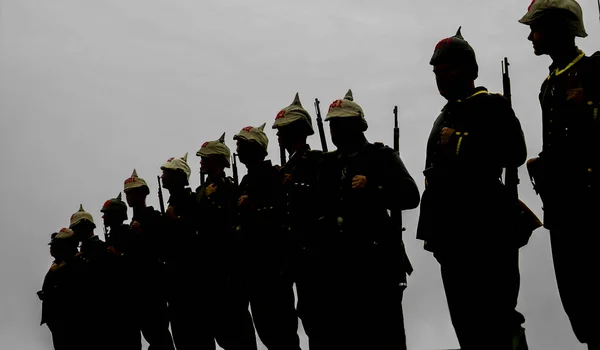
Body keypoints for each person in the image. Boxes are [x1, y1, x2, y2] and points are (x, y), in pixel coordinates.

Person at [417, 28, 529, 349]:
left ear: (469, 70)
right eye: (437, 71)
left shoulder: (489, 106)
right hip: (450, 236)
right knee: (467, 328)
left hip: (485, 231)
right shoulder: (443, 116)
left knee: (497, 320)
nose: (441, 76)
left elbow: (514, 152)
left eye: (448, 69)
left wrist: (462, 142)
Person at [519, 1, 600, 348]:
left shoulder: (594, 70)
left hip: (593, 201)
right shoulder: (549, 83)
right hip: (562, 205)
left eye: (536, 27)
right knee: (578, 303)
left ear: (557, 27)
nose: (530, 36)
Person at [314, 89, 420, 349]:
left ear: (355, 126)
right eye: (332, 125)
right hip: (339, 268)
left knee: (386, 337)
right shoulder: (328, 164)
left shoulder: (381, 156)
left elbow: (410, 195)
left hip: (377, 266)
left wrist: (373, 187)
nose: (333, 131)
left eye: (338, 124)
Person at [234, 124, 301, 350]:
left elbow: (283, 215)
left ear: (254, 148)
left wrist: (255, 208)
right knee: (266, 332)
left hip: (273, 268)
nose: (237, 149)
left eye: (241, 145)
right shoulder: (245, 181)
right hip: (253, 270)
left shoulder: (274, 176)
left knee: (282, 333)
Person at [194, 133, 257, 349]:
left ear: (218, 161)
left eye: (205, 158)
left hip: (229, 270)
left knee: (238, 330)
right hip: (209, 272)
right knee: (220, 331)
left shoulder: (230, 190)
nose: (201, 162)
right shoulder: (200, 193)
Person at [271, 93, 323, 349]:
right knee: (304, 314)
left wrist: (298, 186)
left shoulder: (317, 162)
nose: (278, 136)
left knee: (319, 319)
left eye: (282, 130)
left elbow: (326, 197)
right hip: (294, 254)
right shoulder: (286, 167)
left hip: (315, 251)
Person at [123, 169, 175, 350]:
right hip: (137, 289)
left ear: (143, 193)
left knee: (159, 336)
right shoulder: (131, 225)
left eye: (133, 192)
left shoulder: (154, 219)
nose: (129, 196)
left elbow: (162, 250)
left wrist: (141, 236)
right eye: (127, 192)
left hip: (153, 287)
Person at [159, 153, 205, 350]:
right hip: (175, 282)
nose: (162, 177)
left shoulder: (190, 200)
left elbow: (198, 234)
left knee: (196, 336)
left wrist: (175, 222)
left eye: (166, 173)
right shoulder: (173, 202)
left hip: (190, 281)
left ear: (178, 176)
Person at [68, 204, 110, 350]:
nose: (73, 233)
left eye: (75, 229)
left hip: (100, 316)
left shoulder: (101, 249)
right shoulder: (81, 253)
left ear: (85, 227)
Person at [38, 228, 81, 350]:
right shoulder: (58, 264)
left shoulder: (72, 263)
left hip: (66, 319)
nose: (51, 249)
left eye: (55, 246)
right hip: (55, 318)